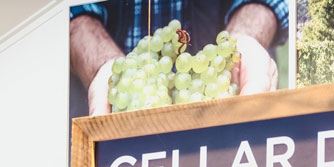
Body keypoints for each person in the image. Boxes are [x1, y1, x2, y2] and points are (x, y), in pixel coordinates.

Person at [70, 1, 289, 116]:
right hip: (120, 136)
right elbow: (65, 7)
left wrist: (245, 38)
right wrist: (105, 68)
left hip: (222, 109)